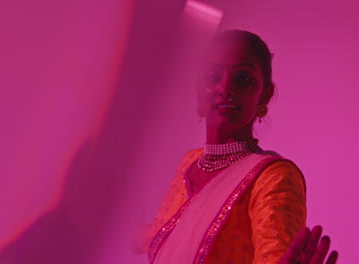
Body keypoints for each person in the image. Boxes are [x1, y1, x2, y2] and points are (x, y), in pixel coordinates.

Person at [136, 30, 337, 264]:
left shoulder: (273, 177)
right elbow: (157, 234)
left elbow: (275, 257)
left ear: (265, 95)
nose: (225, 89)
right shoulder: (189, 162)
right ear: (198, 90)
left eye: (243, 79)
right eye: (212, 76)